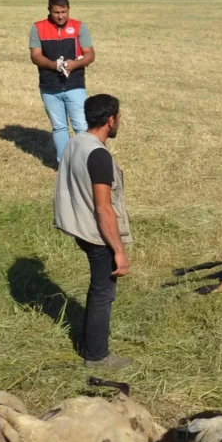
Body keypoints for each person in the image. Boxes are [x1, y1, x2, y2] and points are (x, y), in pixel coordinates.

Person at [53, 94, 133, 369]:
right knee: (103, 294)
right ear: (110, 120)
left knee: (98, 289)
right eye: (119, 116)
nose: (120, 121)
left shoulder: (75, 142)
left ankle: (92, 345)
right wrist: (119, 251)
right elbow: (103, 209)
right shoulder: (98, 155)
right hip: (97, 235)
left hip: (79, 226)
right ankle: (97, 357)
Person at [30, 0, 96, 164]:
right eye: (56, 12)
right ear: (49, 11)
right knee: (59, 127)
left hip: (75, 85)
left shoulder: (79, 27)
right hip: (49, 87)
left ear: (69, 10)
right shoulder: (38, 28)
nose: (61, 16)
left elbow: (90, 54)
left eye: (64, 12)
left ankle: (86, 163)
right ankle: (64, 164)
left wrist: (73, 65)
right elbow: (35, 56)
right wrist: (55, 65)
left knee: (81, 127)